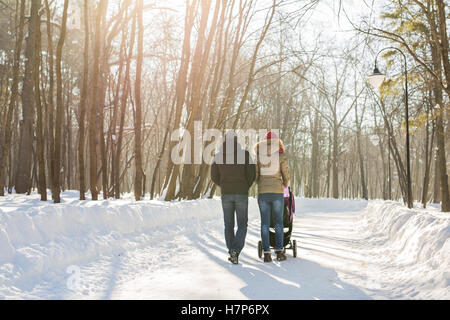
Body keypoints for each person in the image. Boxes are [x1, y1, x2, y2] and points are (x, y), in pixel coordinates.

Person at [211, 131, 256, 264]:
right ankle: (235, 251)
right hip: (241, 192)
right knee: (242, 225)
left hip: (226, 193)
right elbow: (251, 174)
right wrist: (245, 185)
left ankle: (232, 251)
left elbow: (214, 176)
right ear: (237, 141)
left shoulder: (218, 155)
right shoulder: (245, 154)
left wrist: (223, 185)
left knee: (228, 225)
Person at [255, 131, 291, 262]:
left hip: (263, 193)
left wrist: (261, 183)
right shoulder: (280, 155)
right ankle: (280, 252)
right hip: (277, 192)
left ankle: (266, 254)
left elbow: (255, 175)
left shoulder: (259, 156)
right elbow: (286, 174)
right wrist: (286, 184)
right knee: (278, 223)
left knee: (265, 223)